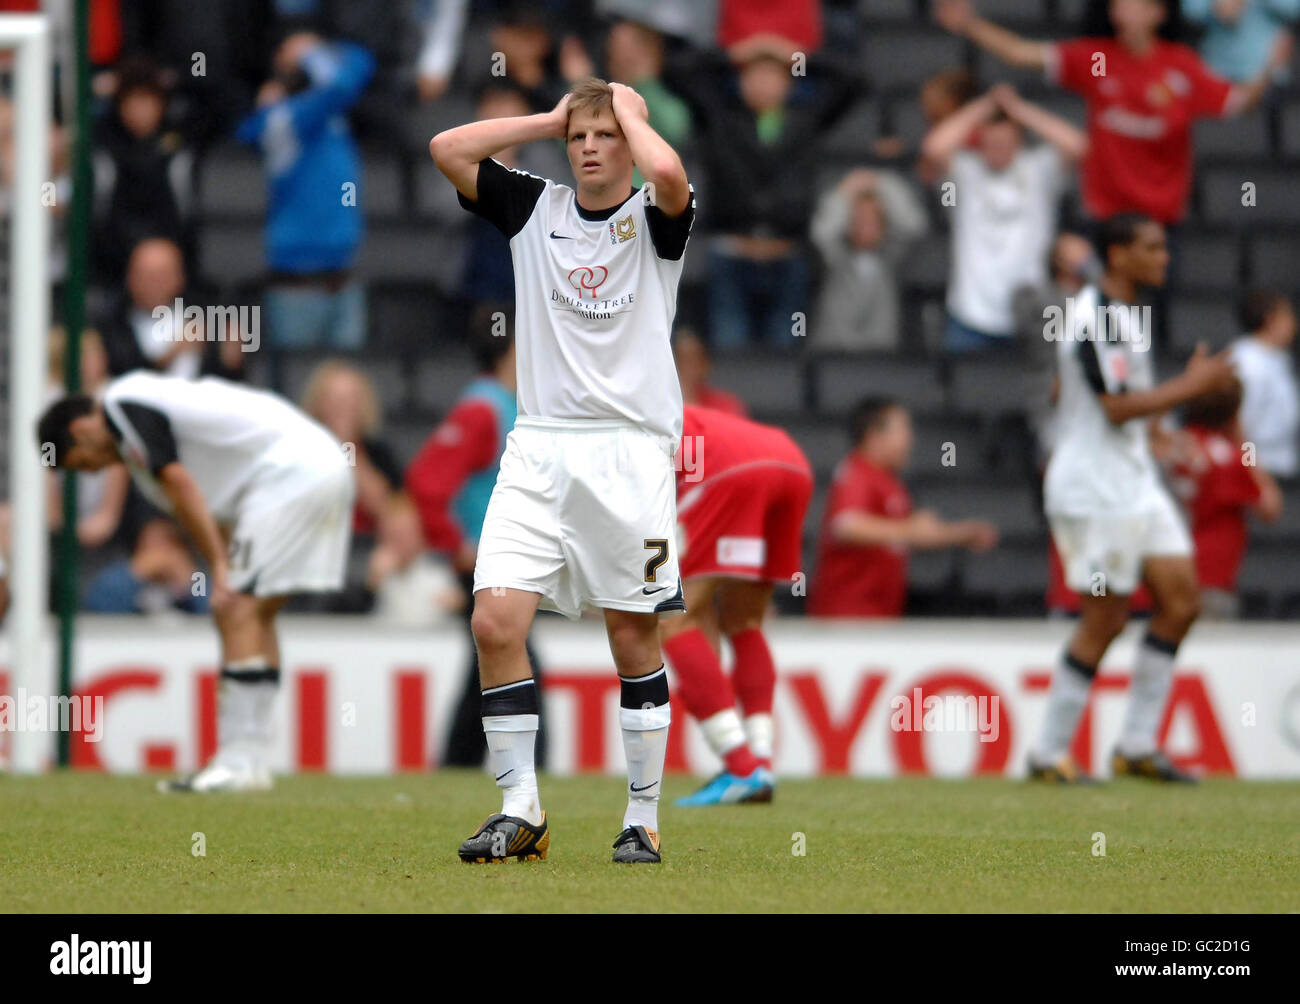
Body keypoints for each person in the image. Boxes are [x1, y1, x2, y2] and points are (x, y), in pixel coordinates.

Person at [430, 76, 694, 864]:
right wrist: (553, 117)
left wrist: (632, 114)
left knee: (631, 633)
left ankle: (643, 817)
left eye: (603, 135)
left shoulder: (655, 218)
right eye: (579, 137)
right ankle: (522, 812)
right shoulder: (533, 206)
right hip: (539, 444)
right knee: (493, 621)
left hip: (629, 450)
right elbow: (446, 148)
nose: (588, 147)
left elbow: (672, 177)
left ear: (631, 140)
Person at [38, 372, 354, 792]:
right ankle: (251, 760)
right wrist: (225, 565)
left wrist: (220, 566)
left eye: (82, 463)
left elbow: (181, 485)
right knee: (253, 613)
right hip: (307, 468)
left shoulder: (120, 403)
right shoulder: (137, 442)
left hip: (293, 473)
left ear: (80, 430)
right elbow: (208, 505)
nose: (92, 471)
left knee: (236, 608)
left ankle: (238, 761)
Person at [1031, 213, 1238, 784]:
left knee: (1182, 603)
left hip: (1133, 480)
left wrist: (1156, 434)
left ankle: (1137, 745)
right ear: (1118, 256)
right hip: (1094, 488)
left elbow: (1088, 395)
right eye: (1151, 247)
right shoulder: (1093, 314)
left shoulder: (1125, 316)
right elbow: (1114, 406)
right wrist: (1192, 387)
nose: (1164, 256)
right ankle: (1047, 753)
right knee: (1107, 617)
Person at [934, 0, 1288, 225]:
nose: (1122, 7)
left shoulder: (1180, 67)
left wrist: (1268, 70)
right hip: (1105, 217)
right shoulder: (1099, 60)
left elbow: (1238, 102)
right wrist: (969, 24)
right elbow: (1019, 53)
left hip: (1161, 222)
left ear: (1157, 12)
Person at [406, 325, 548, 770]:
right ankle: (529, 768)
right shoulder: (483, 409)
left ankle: (458, 764)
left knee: (487, 665)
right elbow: (427, 481)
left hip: (498, 557)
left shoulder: (501, 406)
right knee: (518, 658)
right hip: (487, 558)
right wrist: (455, 546)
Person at [660, 405, 813, 805]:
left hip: (726, 467)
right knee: (744, 620)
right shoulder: (670, 403)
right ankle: (760, 761)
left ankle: (741, 766)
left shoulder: (610, 430)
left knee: (672, 617)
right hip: (788, 462)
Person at [236, 32, 374, 357]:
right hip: (296, 287)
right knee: (297, 391)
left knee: (347, 388)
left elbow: (364, 61)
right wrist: (311, 52)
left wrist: (318, 48)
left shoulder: (332, 120)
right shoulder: (282, 119)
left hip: (343, 277)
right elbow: (343, 84)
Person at [922, 84, 1087, 352]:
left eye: (1005, 142)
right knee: (962, 391)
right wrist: (985, 106)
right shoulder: (963, 173)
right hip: (969, 313)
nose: (997, 148)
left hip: (1031, 314)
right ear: (980, 142)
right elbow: (933, 148)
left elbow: (1078, 146)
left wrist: (1018, 110)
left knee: (1037, 391)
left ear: (1019, 142)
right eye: (991, 142)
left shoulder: (1039, 171)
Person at [809, 398, 999, 617]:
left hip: (879, 614)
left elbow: (910, 534)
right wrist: (910, 528)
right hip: (849, 616)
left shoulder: (890, 483)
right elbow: (846, 526)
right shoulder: (857, 473)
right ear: (874, 435)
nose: (910, 438)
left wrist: (962, 534)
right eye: (902, 429)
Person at [1167, 379, 1283, 618]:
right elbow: (1270, 507)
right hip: (1210, 578)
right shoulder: (1230, 456)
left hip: (1168, 572)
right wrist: (1245, 443)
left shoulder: (1173, 444)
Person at [810, 167, 929, 353]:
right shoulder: (835, 258)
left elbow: (914, 226)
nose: (867, 228)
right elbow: (822, 233)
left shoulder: (891, 258)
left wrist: (883, 183)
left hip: (881, 353)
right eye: (859, 221)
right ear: (847, 224)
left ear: (884, 225)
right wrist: (845, 191)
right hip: (833, 351)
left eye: (873, 221)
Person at [300, 361, 403, 537]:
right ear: (318, 403)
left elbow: (387, 511)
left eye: (351, 399)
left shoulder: (377, 452)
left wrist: (346, 445)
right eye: (335, 399)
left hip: (365, 545)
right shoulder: (300, 450)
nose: (343, 407)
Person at [1229, 290, 1299, 478]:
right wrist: (1251, 472)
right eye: (1288, 316)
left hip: (1280, 466)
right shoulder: (1248, 362)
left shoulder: (1278, 357)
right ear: (1270, 319)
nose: (1294, 324)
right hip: (1260, 470)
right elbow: (1238, 425)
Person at [83, 518, 210, 615]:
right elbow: (98, 606)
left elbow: (209, 609)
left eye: (165, 546)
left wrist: (190, 575)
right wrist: (133, 573)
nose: (159, 556)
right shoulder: (121, 578)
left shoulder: (197, 578)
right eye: (150, 546)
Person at [1184, 0, 1299, 83]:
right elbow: (1192, 12)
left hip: (1267, 75)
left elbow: (1293, 8)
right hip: (1217, 71)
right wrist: (1215, 5)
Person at [673, 329, 748, 416]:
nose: (687, 368)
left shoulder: (727, 405)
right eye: (681, 361)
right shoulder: (663, 406)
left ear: (705, 365)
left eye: (693, 361)